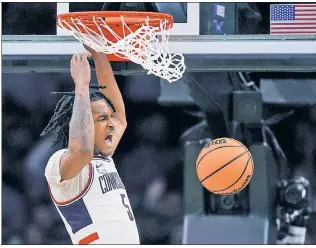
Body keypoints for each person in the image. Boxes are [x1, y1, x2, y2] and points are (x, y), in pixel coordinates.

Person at [41, 47, 139, 245]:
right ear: (81, 121)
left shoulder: (103, 156)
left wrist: (99, 53)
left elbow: (120, 119)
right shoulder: (58, 164)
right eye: (103, 118)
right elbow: (82, 149)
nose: (112, 123)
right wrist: (82, 85)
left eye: (109, 117)